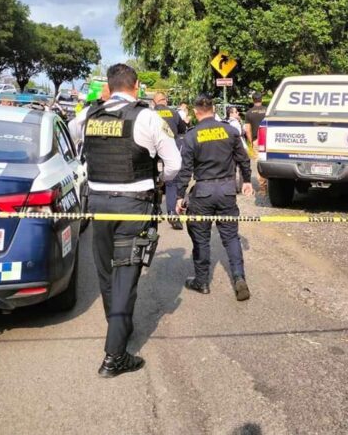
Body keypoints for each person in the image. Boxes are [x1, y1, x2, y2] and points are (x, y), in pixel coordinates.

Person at [69, 64, 181, 378]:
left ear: (109, 86)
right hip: (134, 206)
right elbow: (174, 164)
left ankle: (118, 327)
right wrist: (157, 179)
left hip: (99, 204)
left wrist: (97, 103)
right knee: (125, 279)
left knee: (107, 274)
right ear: (135, 86)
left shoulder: (88, 115)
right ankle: (114, 356)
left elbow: (70, 136)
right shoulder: (146, 117)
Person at [175, 94, 254, 301]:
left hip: (203, 193)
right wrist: (246, 181)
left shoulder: (192, 136)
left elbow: (185, 170)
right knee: (230, 237)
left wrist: (179, 196)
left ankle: (202, 282)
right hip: (227, 191)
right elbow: (243, 158)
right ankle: (239, 278)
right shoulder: (229, 130)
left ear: (195, 111)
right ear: (213, 108)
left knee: (200, 237)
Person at [152, 91, 187, 230]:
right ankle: (172, 213)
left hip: (153, 152)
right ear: (165, 101)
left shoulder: (149, 113)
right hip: (170, 150)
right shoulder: (173, 113)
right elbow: (182, 129)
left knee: (151, 179)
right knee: (172, 182)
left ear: (154, 103)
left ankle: (155, 209)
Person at [243, 93, 268, 192]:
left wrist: (251, 142)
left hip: (257, 140)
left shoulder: (249, 113)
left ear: (253, 100)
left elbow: (248, 129)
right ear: (261, 99)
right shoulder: (267, 110)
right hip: (268, 139)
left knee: (259, 163)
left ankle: (263, 188)